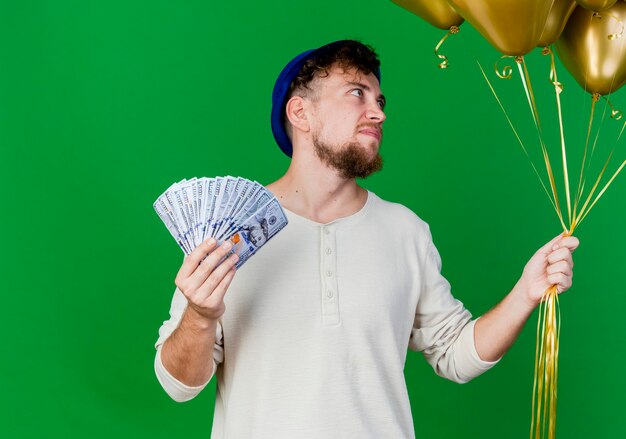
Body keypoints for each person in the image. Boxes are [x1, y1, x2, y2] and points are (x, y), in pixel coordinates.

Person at [154, 40, 579, 438]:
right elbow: (180, 387)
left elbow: (455, 354)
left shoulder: (406, 230)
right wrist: (200, 315)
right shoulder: (229, 230)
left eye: (379, 100)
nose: (378, 113)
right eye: (356, 93)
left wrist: (526, 291)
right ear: (300, 113)